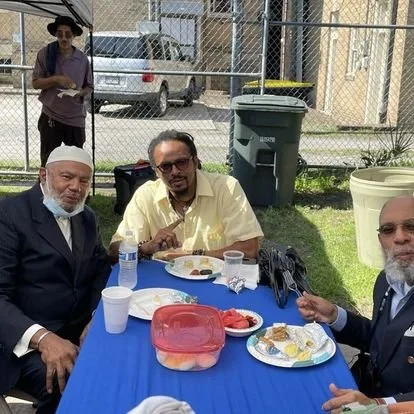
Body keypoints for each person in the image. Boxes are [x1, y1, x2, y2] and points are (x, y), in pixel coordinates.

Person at [0, 146, 111, 413]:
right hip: (19, 340)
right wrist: (44, 338)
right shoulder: (10, 215)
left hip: (75, 329)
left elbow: (100, 271)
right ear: (43, 175)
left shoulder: (86, 217)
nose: (76, 187)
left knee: (124, 358)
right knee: (74, 381)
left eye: (84, 181)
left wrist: (96, 316)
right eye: (67, 177)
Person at [296, 195, 414, 411]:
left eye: (411, 226)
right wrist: (334, 315)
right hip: (362, 394)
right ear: (380, 240)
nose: (399, 237)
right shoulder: (387, 281)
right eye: (388, 230)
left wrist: (379, 406)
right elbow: (381, 342)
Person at [109, 130, 263, 261]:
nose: (175, 172)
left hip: (215, 279)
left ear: (195, 162)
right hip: (161, 281)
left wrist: (191, 257)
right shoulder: (145, 195)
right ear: (156, 172)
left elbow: (249, 249)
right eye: (166, 166)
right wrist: (146, 248)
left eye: (181, 162)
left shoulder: (226, 188)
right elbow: (114, 251)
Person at [32, 15, 93, 166]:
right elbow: (36, 83)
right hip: (51, 116)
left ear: (74, 36)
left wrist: (80, 92)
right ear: (55, 34)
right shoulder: (46, 54)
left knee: (76, 162)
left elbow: (89, 87)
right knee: (48, 162)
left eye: (68, 34)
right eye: (60, 34)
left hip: (75, 117)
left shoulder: (82, 59)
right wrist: (56, 79)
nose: (64, 38)